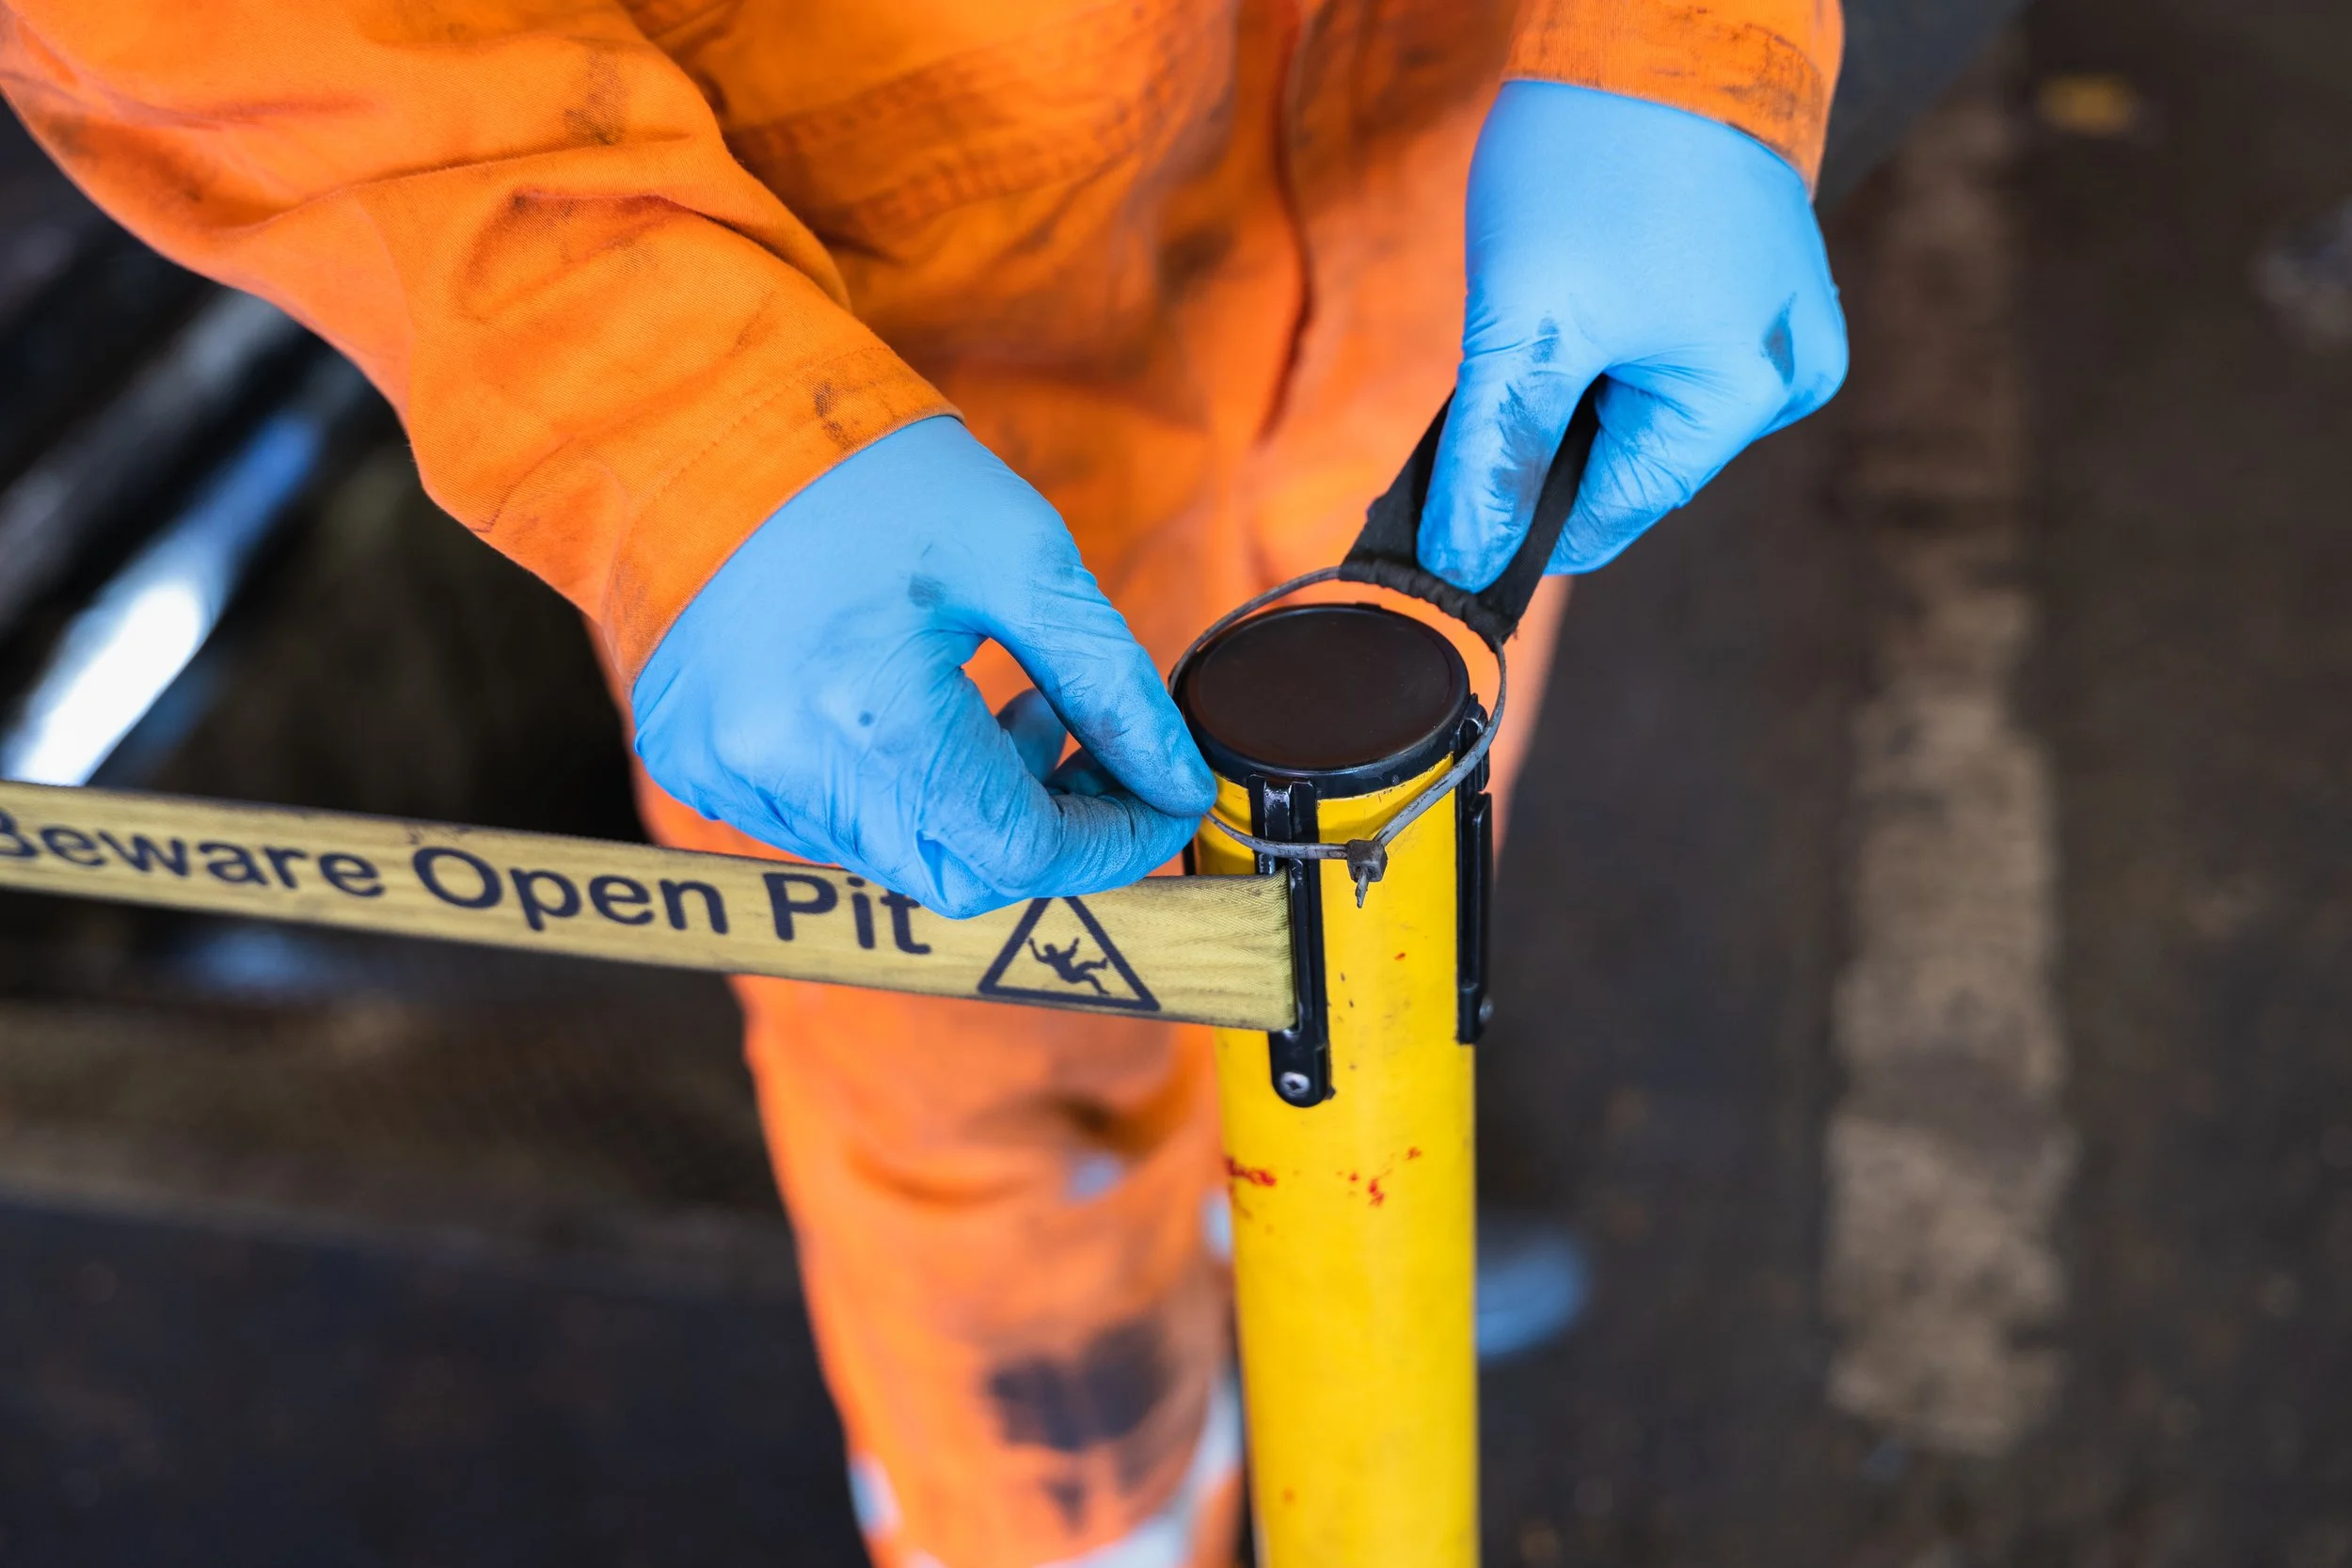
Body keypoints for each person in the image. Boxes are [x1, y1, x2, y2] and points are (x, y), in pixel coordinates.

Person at [1, 3, 1847, 1561]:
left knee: (1406, 875)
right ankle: (1072, 1514)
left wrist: (1684, 40)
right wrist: (663, 407)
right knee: (988, 1139)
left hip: (1443, 260)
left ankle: (1315, 1237)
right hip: (860, 426)